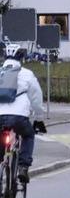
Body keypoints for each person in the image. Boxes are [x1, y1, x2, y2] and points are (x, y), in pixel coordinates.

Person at [0, 54, 47, 184]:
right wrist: (39, 118)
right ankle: (23, 167)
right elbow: (36, 98)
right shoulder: (27, 74)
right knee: (28, 135)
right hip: (19, 117)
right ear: (20, 59)